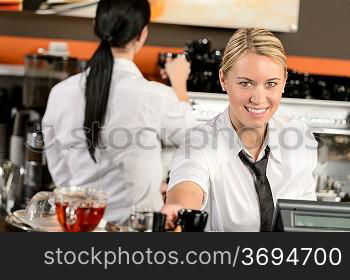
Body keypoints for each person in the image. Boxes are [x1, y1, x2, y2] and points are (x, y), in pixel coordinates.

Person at [42, 0, 195, 224]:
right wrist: (179, 83)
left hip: (81, 226)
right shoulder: (155, 96)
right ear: (142, 34)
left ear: (97, 26)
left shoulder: (60, 93)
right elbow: (194, 138)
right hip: (138, 233)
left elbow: (59, 169)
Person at [162, 28, 318, 232]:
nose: (258, 98)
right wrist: (178, 209)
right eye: (246, 83)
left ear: (284, 81)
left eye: (271, 84)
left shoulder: (299, 137)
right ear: (223, 79)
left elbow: (310, 221)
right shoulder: (201, 140)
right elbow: (188, 185)